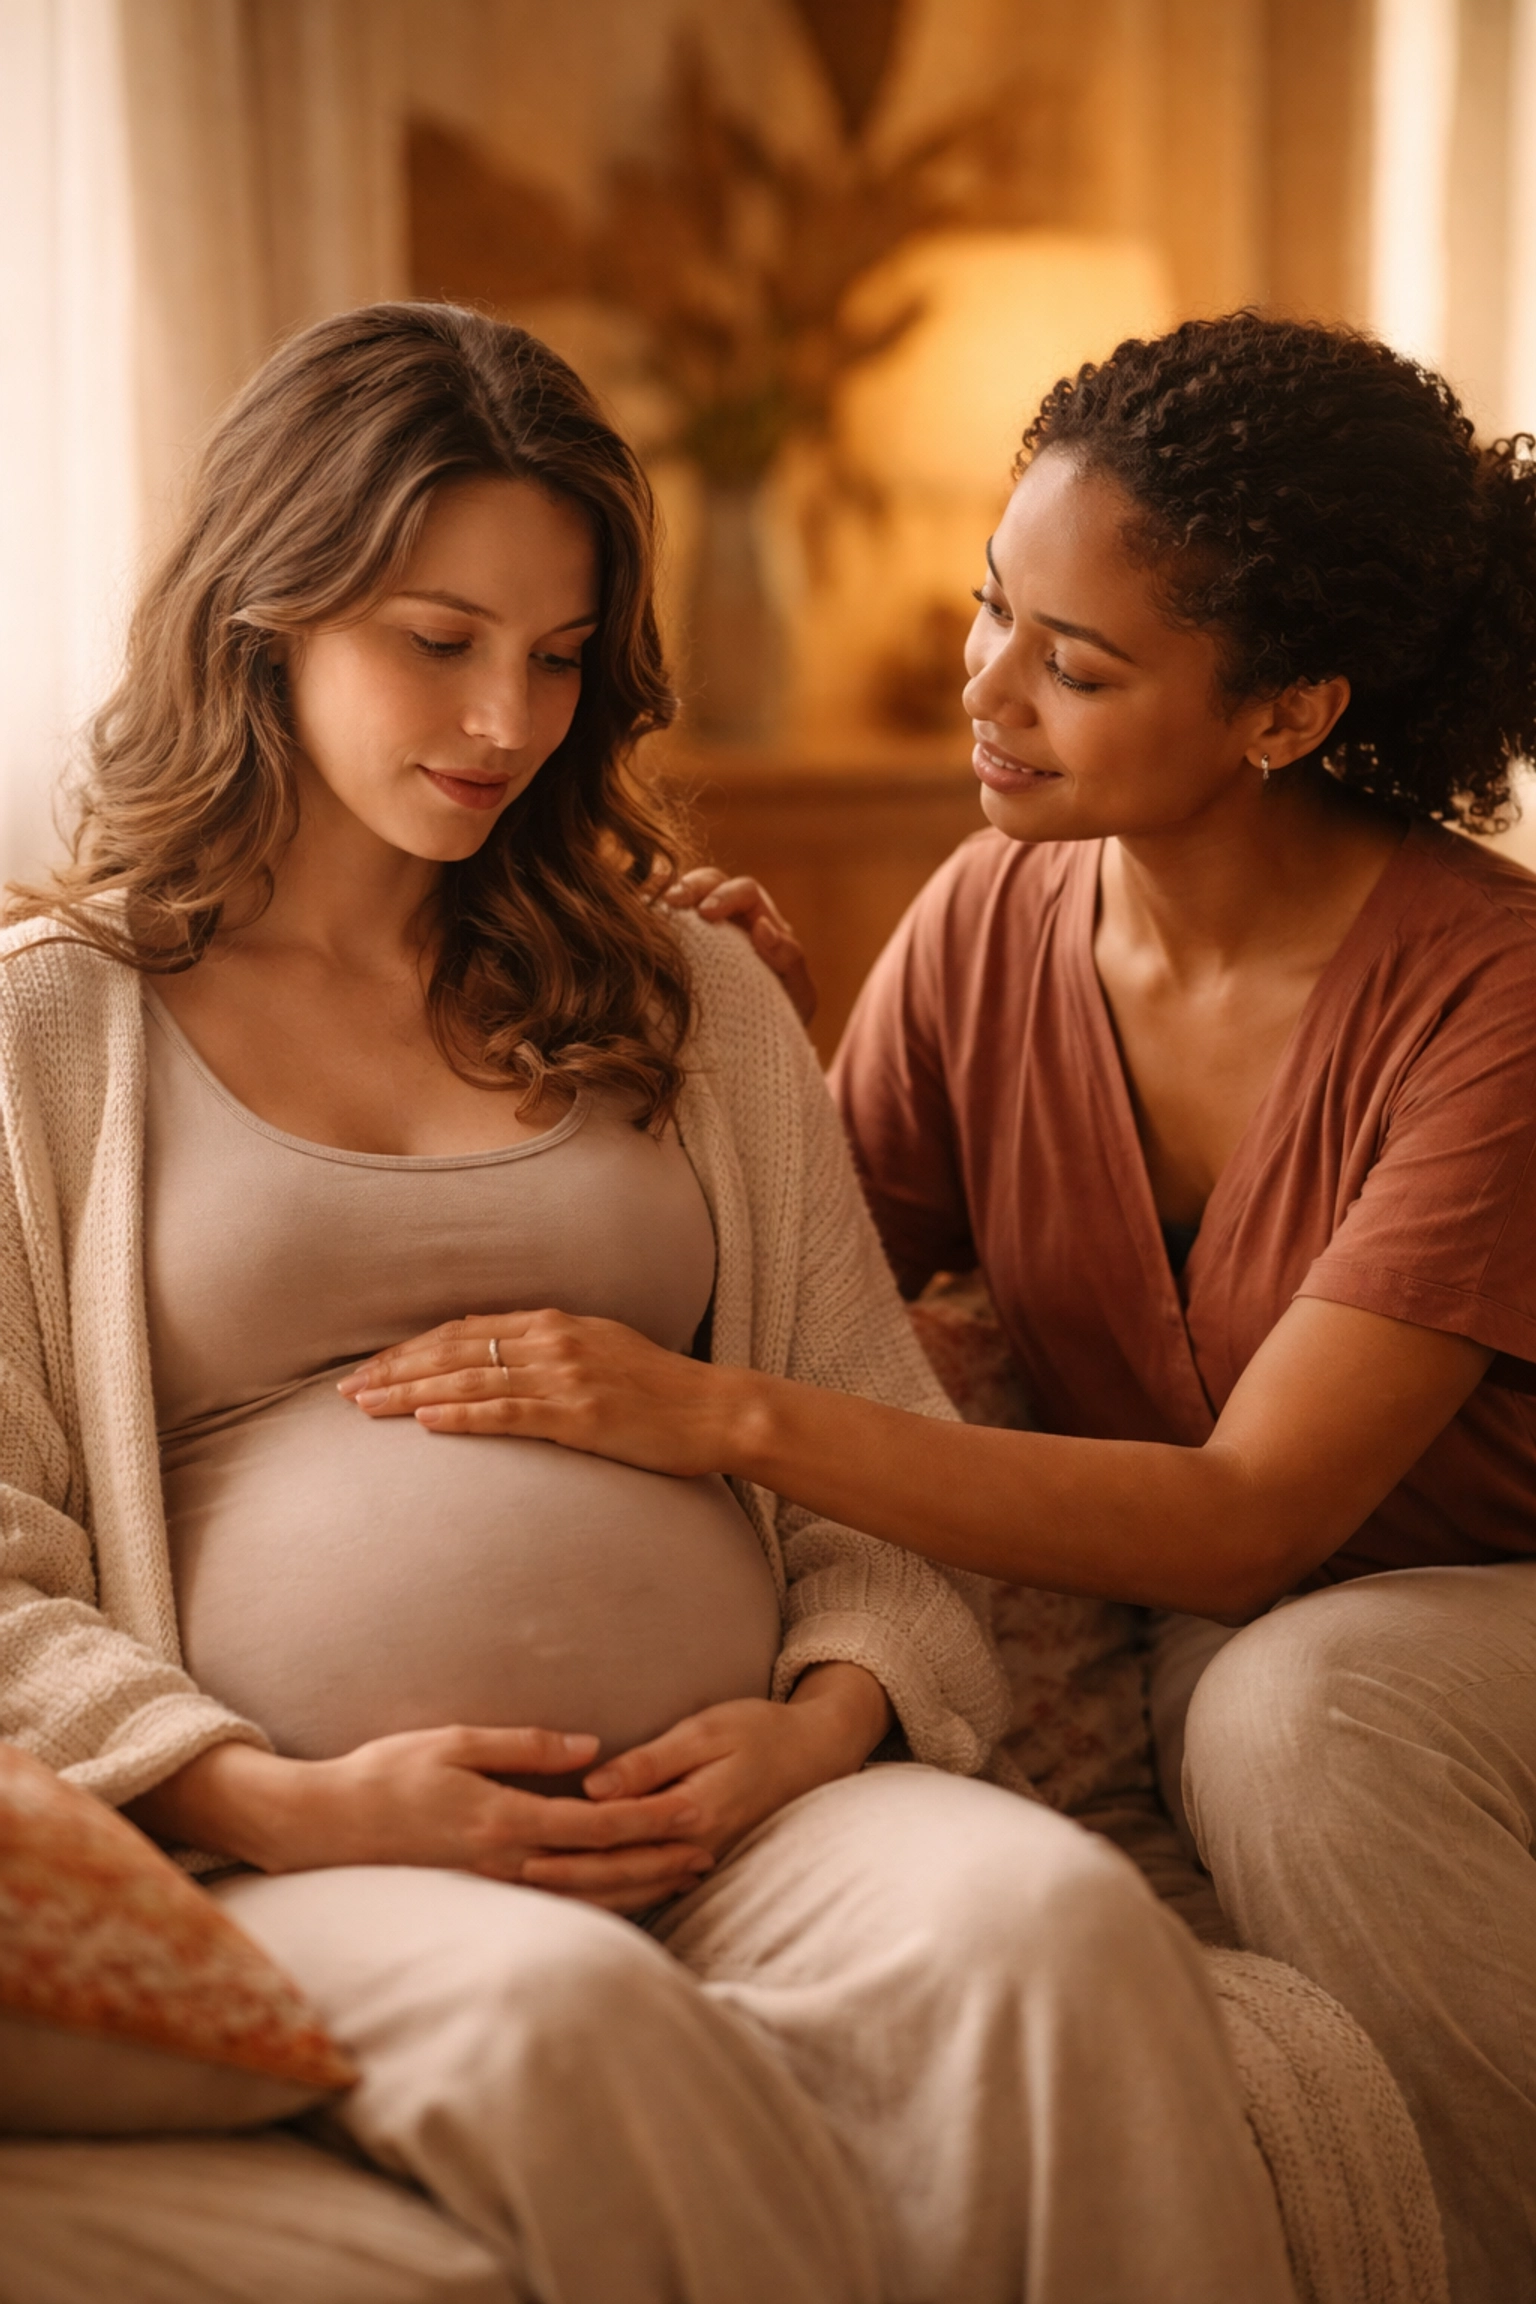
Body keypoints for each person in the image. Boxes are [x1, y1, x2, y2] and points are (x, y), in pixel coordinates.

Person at [0, 303, 1297, 2304]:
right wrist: (276, 1796)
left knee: (1056, 1929)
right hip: (307, 1850)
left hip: (753, 1804)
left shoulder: (682, 996)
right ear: (265, 608)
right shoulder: (48, 1028)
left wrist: (821, 1722)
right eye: (437, 641)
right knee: (560, 2027)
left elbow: (874, 1442)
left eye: (554, 656)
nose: (504, 719)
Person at [351, 312, 1536, 2302]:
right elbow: (788, 1292)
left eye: (1076, 666)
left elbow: (1252, 1522)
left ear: (1287, 708)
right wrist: (730, 1055)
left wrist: (726, 1424)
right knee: (1250, 1696)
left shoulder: (1493, 1000)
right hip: (1251, 1629)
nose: (984, 689)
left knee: (1290, 1710)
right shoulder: (993, 918)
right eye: (995, 613)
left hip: (1469, 1615)